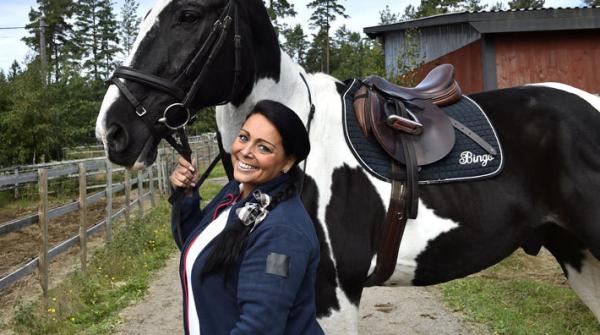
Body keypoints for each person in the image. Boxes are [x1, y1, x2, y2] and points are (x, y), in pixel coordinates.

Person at [169, 100, 323, 335]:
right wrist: (187, 197)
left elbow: (259, 328)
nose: (246, 151)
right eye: (243, 137)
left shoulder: (282, 232)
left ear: (288, 162)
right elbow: (197, 247)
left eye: (264, 148)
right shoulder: (237, 191)